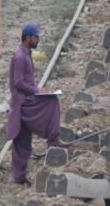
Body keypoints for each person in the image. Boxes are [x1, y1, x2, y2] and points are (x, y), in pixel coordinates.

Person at [7, 23, 68, 185]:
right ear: (27, 38)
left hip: (25, 99)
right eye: (36, 37)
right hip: (23, 102)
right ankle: (53, 137)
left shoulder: (26, 53)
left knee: (23, 140)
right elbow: (18, 82)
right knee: (51, 101)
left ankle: (20, 176)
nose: (38, 40)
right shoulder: (20, 57)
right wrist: (37, 90)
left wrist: (37, 90)